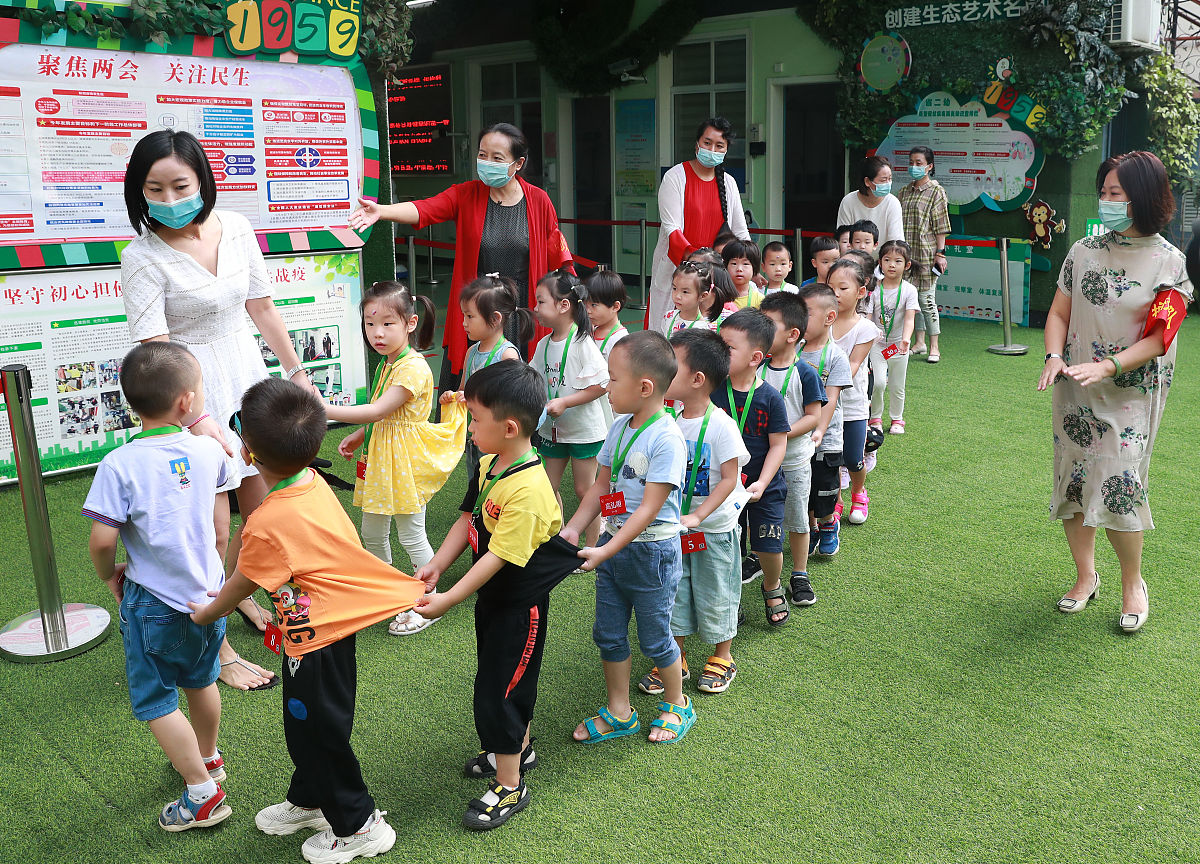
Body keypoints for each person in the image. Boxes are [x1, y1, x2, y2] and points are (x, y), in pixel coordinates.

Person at [189, 377, 426, 863]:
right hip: (315, 636)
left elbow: (241, 584)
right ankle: (312, 797)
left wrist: (205, 613)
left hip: (319, 640)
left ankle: (359, 824)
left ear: (248, 454)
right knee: (304, 723)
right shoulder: (310, 481)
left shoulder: (269, 520)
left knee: (320, 730)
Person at [121, 128, 299, 692]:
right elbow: (158, 348)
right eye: (156, 188)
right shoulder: (141, 257)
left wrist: (296, 373)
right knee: (210, 526)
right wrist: (197, 419)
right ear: (139, 192)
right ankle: (214, 646)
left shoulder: (239, 227)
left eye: (181, 185)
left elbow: (263, 308)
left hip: (244, 373)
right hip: (185, 394)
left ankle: (260, 597)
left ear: (202, 181)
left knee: (265, 506)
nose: (171, 199)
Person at [412, 361, 581, 831]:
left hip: (517, 605)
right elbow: (469, 518)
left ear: (509, 428)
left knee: (500, 692)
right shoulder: (491, 462)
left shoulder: (528, 489)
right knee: (499, 680)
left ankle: (511, 785)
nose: (469, 430)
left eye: (475, 420)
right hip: (493, 600)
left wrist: (449, 598)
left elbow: (497, 558)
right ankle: (517, 751)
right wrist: (438, 565)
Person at [1037, 150, 1191, 633]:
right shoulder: (1082, 250)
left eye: (1116, 194)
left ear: (1143, 198)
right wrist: (1054, 356)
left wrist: (1108, 365)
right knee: (1076, 480)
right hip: (1076, 386)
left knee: (1121, 485)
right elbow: (1059, 313)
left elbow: (1160, 338)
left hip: (1130, 392)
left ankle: (1133, 583)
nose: (1106, 201)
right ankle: (1085, 577)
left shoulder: (1170, 262)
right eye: (1103, 192)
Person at [82, 343, 231, 832]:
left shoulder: (119, 464)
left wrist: (109, 572)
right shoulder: (209, 448)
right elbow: (219, 521)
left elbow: (103, 538)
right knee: (202, 679)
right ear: (187, 402)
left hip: (155, 604)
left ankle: (201, 795)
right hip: (210, 594)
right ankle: (207, 758)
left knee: (156, 699)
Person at [347, 123, 573, 390]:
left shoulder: (538, 201)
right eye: (482, 154)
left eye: (497, 158)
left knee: (516, 392)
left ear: (518, 163)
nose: (487, 162)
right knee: (466, 385)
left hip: (519, 311)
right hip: (476, 309)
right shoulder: (467, 194)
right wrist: (382, 211)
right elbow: (425, 209)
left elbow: (558, 257)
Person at [564, 331, 694, 743]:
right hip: (614, 547)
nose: (606, 388)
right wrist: (571, 528)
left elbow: (647, 509)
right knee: (608, 633)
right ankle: (619, 711)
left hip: (651, 552)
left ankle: (677, 705)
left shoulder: (667, 438)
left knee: (656, 638)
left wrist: (605, 548)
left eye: (613, 379)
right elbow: (600, 490)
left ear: (645, 387)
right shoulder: (619, 426)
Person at [328, 281, 467, 636]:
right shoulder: (388, 363)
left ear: (410, 323)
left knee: (411, 533)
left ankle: (429, 600)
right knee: (372, 531)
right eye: (370, 324)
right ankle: (384, 591)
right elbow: (382, 415)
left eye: (387, 323)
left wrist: (324, 409)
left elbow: (378, 408)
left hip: (404, 463)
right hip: (382, 458)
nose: (377, 332)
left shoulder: (412, 367)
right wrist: (360, 436)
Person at [656, 329, 750, 693]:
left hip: (712, 529)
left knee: (717, 591)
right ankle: (674, 656)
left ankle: (722, 655)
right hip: (675, 527)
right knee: (674, 589)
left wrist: (698, 516)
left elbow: (729, 480)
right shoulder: (669, 420)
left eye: (671, 367)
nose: (663, 373)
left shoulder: (722, 426)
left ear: (697, 380)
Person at [713, 309, 790, 624]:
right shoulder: (711, 391)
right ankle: (729, 596)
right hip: (722, 485)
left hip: (765, 486)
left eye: (728, 348)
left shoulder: (770, 398)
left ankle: (771, 584)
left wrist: (763, 482)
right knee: (725, 546)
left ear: (755, 357)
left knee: (768, 545)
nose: (719, 353)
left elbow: (778, 444)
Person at [531, 269, 610, 546]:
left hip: (584, 432)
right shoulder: (542, 344)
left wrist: (565, 401)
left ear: (564, 305)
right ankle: (563, 542)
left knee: (584, 489)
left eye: (541, 301)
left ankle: (592, 546)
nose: (535, 308)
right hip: (554, 430)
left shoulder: (582, 342)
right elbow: (535, 379)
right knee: (546, 487)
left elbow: (602, 384)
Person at [647, 117, 751, 326]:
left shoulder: (728, 183)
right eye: (707, 142)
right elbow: (672, 229)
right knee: (668, 331)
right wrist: (699, 265)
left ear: (726, 150)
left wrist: (751, 267)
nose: (712, 149)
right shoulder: (675, 177)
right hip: (679, 272)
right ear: (697, 144)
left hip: (716, 277)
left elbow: (740, 232)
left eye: (719, 145)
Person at [759, 293, 827, 604]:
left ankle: (799, 573)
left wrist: (782, 433)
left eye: (768, 325)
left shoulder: (805, 372)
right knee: (757, 515)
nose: (759, 331)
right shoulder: (755, 366)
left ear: (792, 334)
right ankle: (759, 560)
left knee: (798, 519)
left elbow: (814, 416)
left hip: (794, 461)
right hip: (758, 459)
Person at [798, 285, 853, 558]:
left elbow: (830, 400)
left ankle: (828, 524)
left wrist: (819, 430)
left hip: (826, 439)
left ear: (829, 317)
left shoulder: (835, 356)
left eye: (806, 314)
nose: (799, 320)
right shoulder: (793, 349)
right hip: (797, 436)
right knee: (802, 488)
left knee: (824, 490)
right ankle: (811, 530)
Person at [459, 274, 533, 467]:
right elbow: (464, 390)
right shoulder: (471, 352)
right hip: (477, 437)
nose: (464, 323)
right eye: (463, 315)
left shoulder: (507, 355)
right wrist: (454, 397)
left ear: (494, 319)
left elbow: (514, 405)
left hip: (501, 443)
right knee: (476, 486)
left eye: (470, 316)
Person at [828, 257, 879, 528]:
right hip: (825, 404)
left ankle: (859, 493)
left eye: (843, 288)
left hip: (853, 403)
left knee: (853, 458)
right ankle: (836, 500)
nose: (835, 293)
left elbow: (853, 364)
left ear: (861, 292)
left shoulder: (866, 328)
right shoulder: (821, 322)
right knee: (831, 458)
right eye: (831, 286)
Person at [899, 146, 952, 362]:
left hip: (927, 254)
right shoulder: (903, 192)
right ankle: (918, 343)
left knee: (926, 299)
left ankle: (934, 346)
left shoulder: (936, 192)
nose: (914, 166)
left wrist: (941, 253)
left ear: (929, 166)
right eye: (912, 162)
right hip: (905, 256)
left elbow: (940, 225)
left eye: (919, 163)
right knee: (911, 300)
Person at [869, 240, 920, 437]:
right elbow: (868, 316)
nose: (892, 265)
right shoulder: (874, 288)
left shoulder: (909, 290)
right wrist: (871, 333)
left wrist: (906, 339)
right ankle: (875, 418)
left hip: (899, 345)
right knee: (879, 382)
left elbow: (909, 318)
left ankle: (897, 418)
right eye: (887, 260)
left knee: (898, 384)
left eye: (897, 261)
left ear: (906, 265)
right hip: (877, 344)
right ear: (880, 262)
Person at [585, 270, 630, 429]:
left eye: (594, 305)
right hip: (591, 406)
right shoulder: (590, 331)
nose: (588, 310)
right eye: (586, 304)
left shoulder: (620, 340)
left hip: (612, 410)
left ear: (615, 306)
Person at [836, 156, 905, 248]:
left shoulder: (892, 203)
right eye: (883, 180)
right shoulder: (849, 201)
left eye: (890, 179)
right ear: (867, 181)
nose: (888, 183)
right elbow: (844, 239)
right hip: (853, 259)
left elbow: (896, 242)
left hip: (884, 260)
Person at [723, 238, 764, 309]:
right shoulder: (718, 296)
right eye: (734, 263)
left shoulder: (760, 300)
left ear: (754, 267)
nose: (739, 269)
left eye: (745, 264)